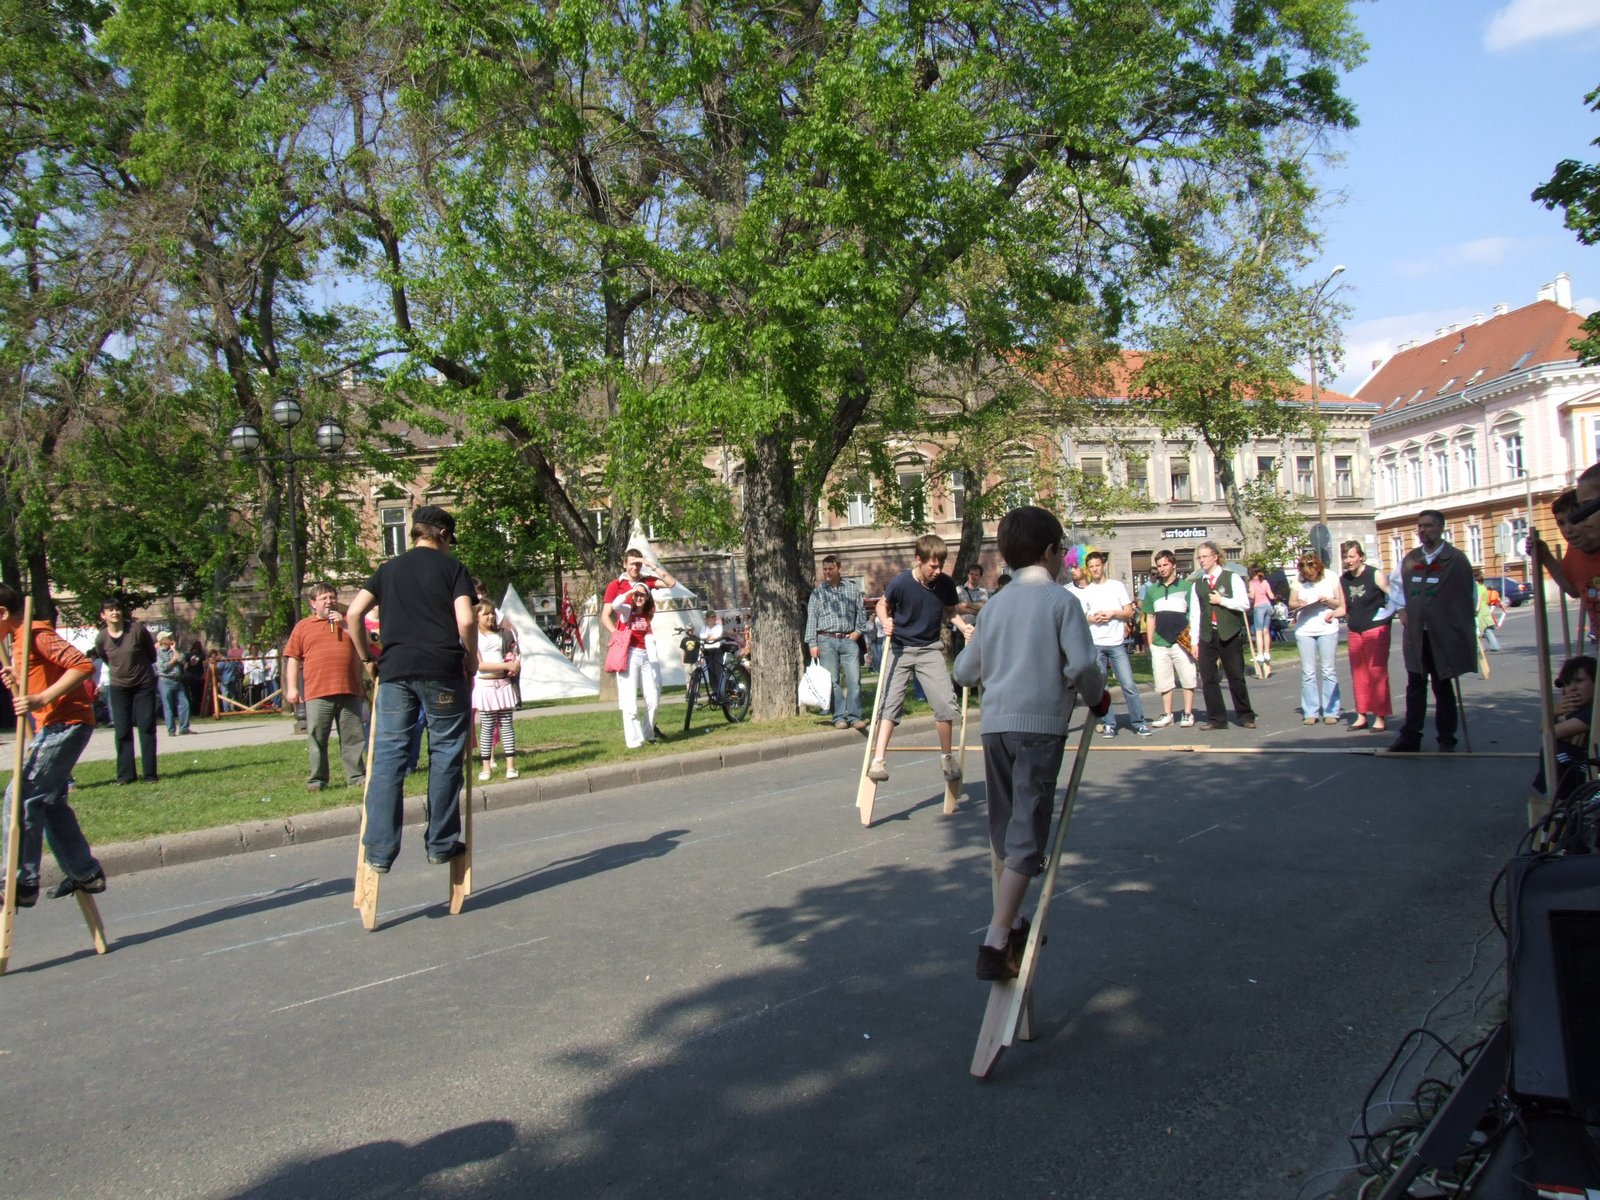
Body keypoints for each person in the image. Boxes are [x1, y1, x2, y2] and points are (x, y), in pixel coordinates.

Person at [951, 506, 1108, 980]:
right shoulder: (1061, 602)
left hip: (995, 725)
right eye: (1062, 551)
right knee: (1028, 826)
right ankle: (996, 939)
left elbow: (964, 671)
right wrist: (1097, 699)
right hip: (1040, 725)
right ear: (1050, 551)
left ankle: (1013, 918)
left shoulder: (995, 606)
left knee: (1004, 824)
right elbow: (1083, 665)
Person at [345, 505, 477, 873]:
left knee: (388, 758)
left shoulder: (387, 570)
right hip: (442, 670)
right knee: (445, 754)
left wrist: (367, 658)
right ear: (443, 535)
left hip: (395, 671)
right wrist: (471, 660)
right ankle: (441, 843)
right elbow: (466, 620)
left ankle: (379, 850)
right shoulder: (453, 568)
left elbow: (353, 614)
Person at [0, 583, 106, 907]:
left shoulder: (36, 633)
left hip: (66, 724)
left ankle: (22, 881)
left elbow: (82, 665)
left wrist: (42, 698)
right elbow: (43, 675)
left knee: (21, 795)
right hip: (53, 725)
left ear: (2, 613)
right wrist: (19, 681)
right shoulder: (18, 641)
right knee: (49, 803)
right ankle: (86, 872)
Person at [866, 533, 968, 785]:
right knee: (890, 703)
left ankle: (947, 757)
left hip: (929, 649)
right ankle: (878, 760)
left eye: (940, 565)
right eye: (933, 566)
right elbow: (882, 605)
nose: (937, 571)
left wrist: (963, 626)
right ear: (918, 560)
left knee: (945, 704)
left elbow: (950, 611)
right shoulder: (902, 582)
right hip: (900, 648)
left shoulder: (944, 583)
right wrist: (885, 621)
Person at [1387, 509, 1477, 753]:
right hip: (1417, 632)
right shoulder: (1411, 559)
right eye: (1420, 526)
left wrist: (1460, 626)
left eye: (1427, 526)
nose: (1422, 531)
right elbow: (1396, 587)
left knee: (1442, 682)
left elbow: (1467, 595)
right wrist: (1401, 610)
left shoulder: (1455, 559)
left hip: (1442, 632)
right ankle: (1410, 737)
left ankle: (1446, 737)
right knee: (1415, 683)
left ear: (1440, 528)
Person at [284, 582, 368, 794]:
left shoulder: (348, 622)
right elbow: (292, 658)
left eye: (332, 597)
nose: (329, 602)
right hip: (318, 691)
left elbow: (367, 642)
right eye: (324, 598)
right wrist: (292, 688)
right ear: (313, 603)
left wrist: (346, 626)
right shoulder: (303, 627)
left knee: (352, 737)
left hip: (349, 689)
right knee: (317, 737)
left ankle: (356, 776)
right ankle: (317, 779)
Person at [601, 548, 678, 749]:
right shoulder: (616, 586)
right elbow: (607, 614)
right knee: (629, 698)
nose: (635, 567)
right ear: (624, 564)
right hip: (628, 649)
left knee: (654, 693)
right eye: (632, 563)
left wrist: (651, 565)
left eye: (638, 564)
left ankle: (648, 732)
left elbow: (671, 583)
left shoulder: (647, 582)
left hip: (647, 646)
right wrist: (617, 635)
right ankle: (634, 739)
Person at [1078, 551, 1151, 738]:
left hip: (1116, 643)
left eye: (1097, 565)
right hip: (1096, 644)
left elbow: (1128, 612)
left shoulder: (1116, 586)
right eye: (1091, 567)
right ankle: (1108, 723)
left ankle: (1139, 722)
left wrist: (1112, 613)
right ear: (1088, 569)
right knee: (1102, 688)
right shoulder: (1087, 592)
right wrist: (1092, 618)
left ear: (1103, 566)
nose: (1095, 569)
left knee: (1128, 684)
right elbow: (1082, 617)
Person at [1189, 541, 1257, 730]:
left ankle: (1246, 715)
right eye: (1199, 557)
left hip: (1229, 633)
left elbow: (1244, 604)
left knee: (1236, 676)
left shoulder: (1231, 577)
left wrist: (1222, 601)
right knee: (1208, 678)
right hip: (1207, 634)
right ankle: (1216, 718)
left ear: (1215, 557)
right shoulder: (1198, 584)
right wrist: (1194, 641)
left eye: (1205, 556)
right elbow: (1195, 613)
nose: (1201, 560)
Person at [92, 597, 159, 784]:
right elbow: (106, 658)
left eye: (117, 609)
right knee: (122, 730)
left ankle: (150, 775)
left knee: (146, 727)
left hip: (143, 684)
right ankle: (125, 775)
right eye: (110, 610)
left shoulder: (136, 630)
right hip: (119, 687)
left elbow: (151, 655)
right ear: (103, 615)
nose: (115, 612)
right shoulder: (102, 637)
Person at [804, 554, 869, 731]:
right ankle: (839, 716)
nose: (827, 572)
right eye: (824, 569)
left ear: (839, 568)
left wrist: (858, 631)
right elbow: (812, 619)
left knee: (854, 679)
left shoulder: (852, 589)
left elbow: (861, 612)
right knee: (832, 681)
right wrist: (812, 643)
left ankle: (855, 716)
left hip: (848, 640)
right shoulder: (818, 592)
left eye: (830, 569)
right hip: (826, 640)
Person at [1339, 541, 1394, 732]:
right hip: (1355, 630)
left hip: (1376, 629)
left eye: (1352, 556)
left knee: (1376, 672)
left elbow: (1394, 595)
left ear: (1361, 556)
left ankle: (1380, 716)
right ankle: (1361, 715)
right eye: (1345, 557)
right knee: (1358, 674)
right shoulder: (1344, 579)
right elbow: (1343, 607)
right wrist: (1330, 611)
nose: (1348, 561)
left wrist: (1388, 614)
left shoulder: (1374, 574)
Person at [1140, 550, 1197, 728]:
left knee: (1187, 677)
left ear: (1173, 565)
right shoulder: (1152, 590)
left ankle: (1188, 713)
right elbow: (1150, 617)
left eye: (1165, 565)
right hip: (1159, 641)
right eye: (1159, 566)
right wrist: (1150, 643)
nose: (1162, 569)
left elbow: (1194, 614)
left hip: (1181, 640)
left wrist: (1193, 639)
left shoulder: (1186, 587)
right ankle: (1167, 713)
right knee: (1163, 680)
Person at [1290, 553, 1345, 725]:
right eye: (1306, 576)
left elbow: (1341, 603)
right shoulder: (1298, 579)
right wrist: (1300, 603)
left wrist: (1327, 600)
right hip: (1305, 629)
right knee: (1308, 672)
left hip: (1326, 627)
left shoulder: (1331, 576)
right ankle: (1310, 711)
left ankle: (1331, 710)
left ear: (1318, 569)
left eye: (1312, 575)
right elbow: (1291, 603)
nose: (1309, 578)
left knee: (1328, 670)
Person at [1533, 655, 1596, 802]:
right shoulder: (1585, 708)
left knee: (1556, 751)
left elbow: (1550, 733)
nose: (1572, 688)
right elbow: (1543, 728)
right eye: (1567, 684)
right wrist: (1556, 712)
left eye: (1579, 681)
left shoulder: (1596, 709)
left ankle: (1566, 803)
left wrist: (1555, 713)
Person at [471, 603, 520, 781]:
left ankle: (510, 767)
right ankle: (486, 768)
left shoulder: (502, 634)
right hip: (486, 685)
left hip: (503, 683)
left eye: (492, 613)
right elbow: (480, 665)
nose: (490, 617)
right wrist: (506, 666)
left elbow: (513, 653)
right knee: (487, 727)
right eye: (486, 614)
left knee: (507, 725)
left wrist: (514, 664)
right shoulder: (473, 637)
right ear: (477, 616)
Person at [155, 630, 192, 736]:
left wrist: (174, 649)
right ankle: (171, 730)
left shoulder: (174, 650)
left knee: (184, 704)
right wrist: (174, 660)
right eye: (168, 637)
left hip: (178, 680)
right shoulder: (158, 652)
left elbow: (182, 659)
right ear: (162, 640)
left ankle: (184, 728)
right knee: (168, 706)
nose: (171, 638)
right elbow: (163, 667)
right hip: (165, 681)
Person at [1247, 566, 1275, 677]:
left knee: (1258, 631)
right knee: (1266, 630)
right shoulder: (1265, 582)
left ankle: (1259, 653)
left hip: (1259, 606)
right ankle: (1266, 652)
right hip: (1268, 605)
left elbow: (1252, 595)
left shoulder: (1252, 582)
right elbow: (1271, 596)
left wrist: (1247, 594)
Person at [1473, 568, 1501, 672]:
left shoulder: (1478, 588)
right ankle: (1495, 646)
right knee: (1488, 630)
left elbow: (1478, 600)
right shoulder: (1483, 587)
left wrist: (1476, 610)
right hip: (1486, 610)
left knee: (1478, 630)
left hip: (1481, 611)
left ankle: (1479, 648)